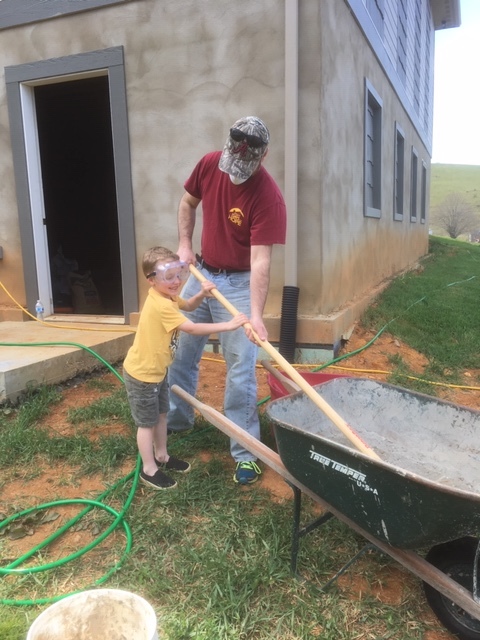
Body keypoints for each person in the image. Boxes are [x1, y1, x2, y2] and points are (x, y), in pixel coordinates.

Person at [167, 116, 287, 485]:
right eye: (231, 162)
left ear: (263, 156)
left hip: (238, 282)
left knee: (240, 368)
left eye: (244, 166)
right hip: (202, 274)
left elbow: (260, 260)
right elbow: (188, 203)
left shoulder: (268, 197)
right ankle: (176, 420)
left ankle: (245, 450)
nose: (235, 172)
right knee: (182, 351)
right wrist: (186, 245)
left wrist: (255, 315)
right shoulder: (208, 163)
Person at [123, 246, 248, 490]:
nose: (176, 282)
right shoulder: (162, 305)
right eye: (168, 278)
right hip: (143, 375)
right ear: (152, 281)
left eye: (178, 275)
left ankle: (162, 456)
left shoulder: (166, 296)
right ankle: (149, 470)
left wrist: (201, 294)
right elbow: (190, 327)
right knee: (146, 423)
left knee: (161, 415)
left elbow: (189, 306)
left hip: (158, 372)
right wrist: (228, 325)